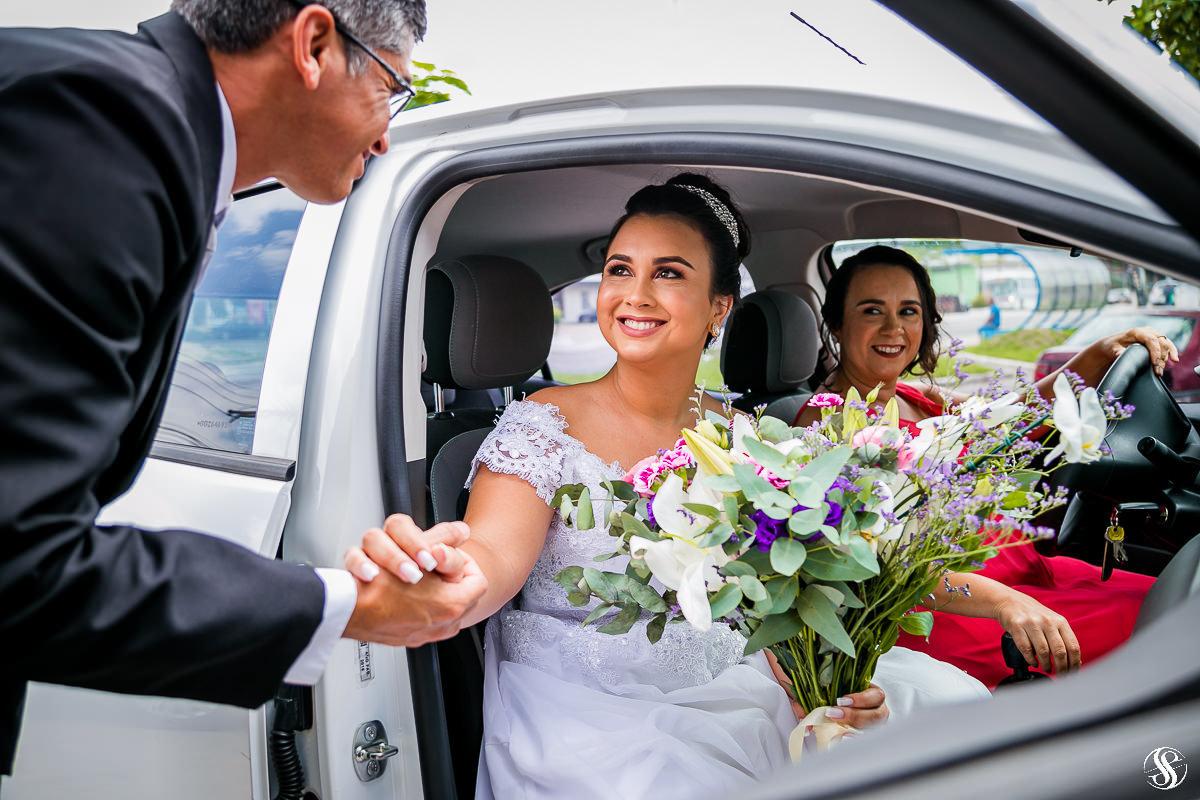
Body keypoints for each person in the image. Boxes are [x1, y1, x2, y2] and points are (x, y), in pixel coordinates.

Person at [352, 176, 990, 798]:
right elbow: (491, 553)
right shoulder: (543, 423)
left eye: (668, 273)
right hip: (591, 709)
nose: (635, 294)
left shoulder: (744, 436)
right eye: (620, 269)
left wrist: (819, 687)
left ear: (719, 307)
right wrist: (447, 580)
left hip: (736, 678)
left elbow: (775, 595)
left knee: (939, 713)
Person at [0, 0, 487, 777]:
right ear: (314, 43)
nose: (385, 136)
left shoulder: (128, 118)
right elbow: (20, 559)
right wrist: (353, 606)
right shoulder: (101, 129)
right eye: (390, 88)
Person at [794, 245, 1167, 688]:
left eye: (909, 311)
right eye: (872, 310)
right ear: (837, 324)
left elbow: (1017, 412)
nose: (894, 327)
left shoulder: (916, 396)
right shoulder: (825, 423)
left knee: (1168, 596)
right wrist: (1004, 602)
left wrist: (1100, 353)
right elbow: (873, 560)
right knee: (1159, 624)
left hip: (1020, 568)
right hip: (955, 607)